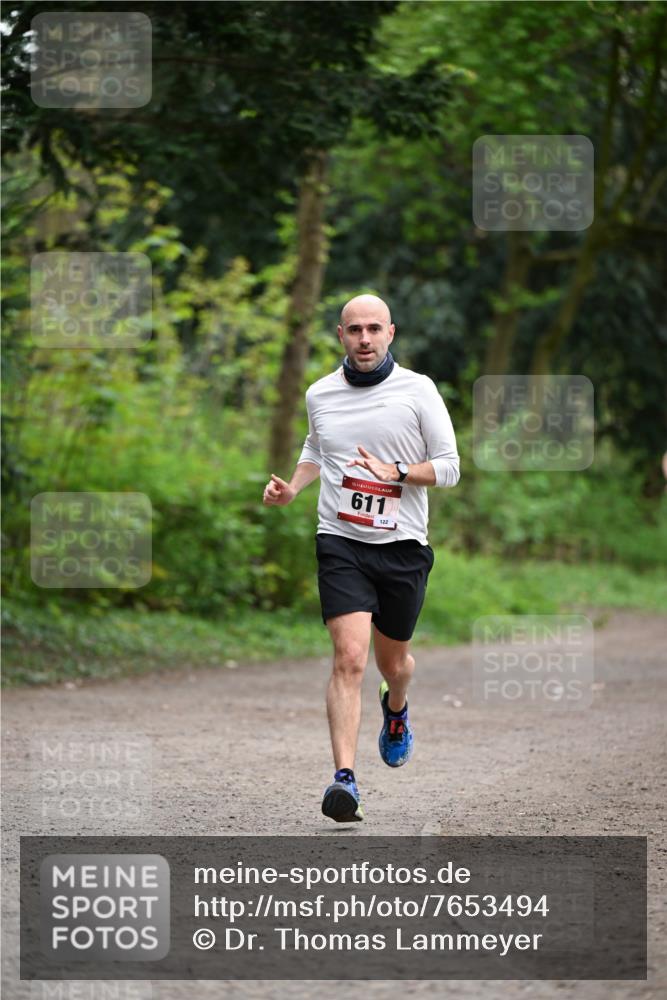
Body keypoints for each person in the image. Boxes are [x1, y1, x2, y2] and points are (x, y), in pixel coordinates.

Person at [262, 294, 460, 822]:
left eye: (374, 328)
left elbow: (449, 467)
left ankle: (396, 708)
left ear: (391, 332)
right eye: (354, 330)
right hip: (341, 541)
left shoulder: (418, 390)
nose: (364, 339)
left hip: (402, 547)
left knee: (393, 664)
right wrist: (294, 488)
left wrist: (397, 472)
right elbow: (316, 447)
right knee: (349, 657)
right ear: (340, 335)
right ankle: (344, 780)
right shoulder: (320, 393)